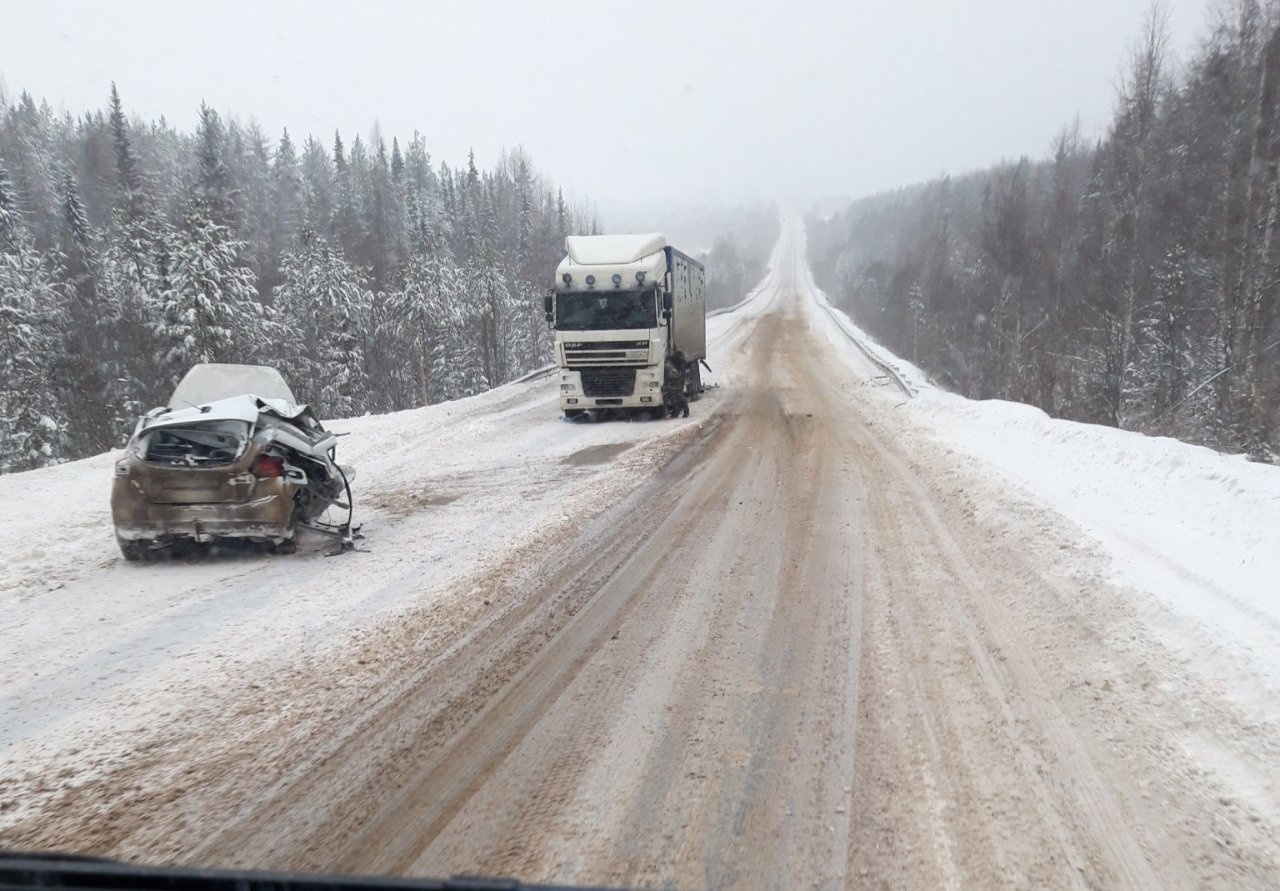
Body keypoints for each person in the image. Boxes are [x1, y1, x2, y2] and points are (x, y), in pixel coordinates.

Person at [662, 351, 689, 418]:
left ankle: (685, 411)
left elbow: (676, 375)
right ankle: (676, 411)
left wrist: (668, 386)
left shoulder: (670, 366)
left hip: (675, 379)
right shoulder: (670, 364)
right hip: (674, 379)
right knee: (673, 396)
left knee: (679, 395)